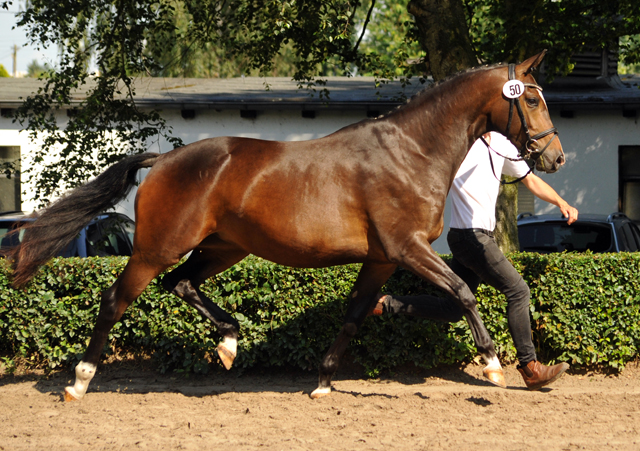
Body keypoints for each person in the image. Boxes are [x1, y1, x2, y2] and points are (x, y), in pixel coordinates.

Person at [371, 132, 578, 390]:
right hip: (469, 236)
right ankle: (531, 368)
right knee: (518, 290)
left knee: (453, 309)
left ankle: (383, 303)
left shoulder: (502, 145)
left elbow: (531, 180)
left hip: (477, 236)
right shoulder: (460, 142)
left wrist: (561, 202)